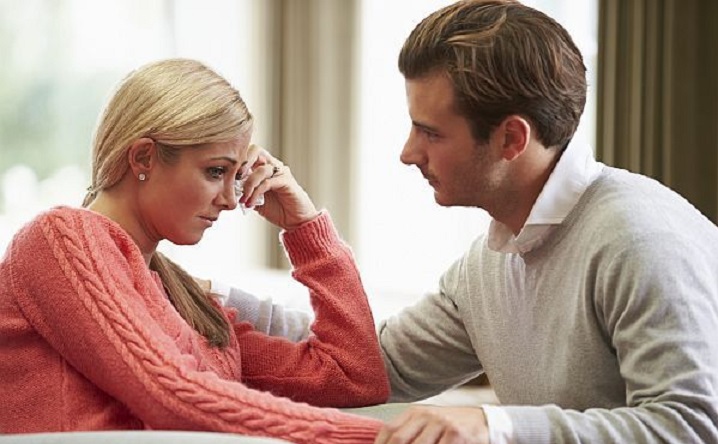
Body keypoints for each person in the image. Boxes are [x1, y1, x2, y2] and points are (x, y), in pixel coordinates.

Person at [222, 0, 718, 443]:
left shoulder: (642, 239)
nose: (407, 153)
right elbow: (369, 365)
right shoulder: (490, 263)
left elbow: (692, 425)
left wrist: (495, 425)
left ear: (511, 140)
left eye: (430, 132)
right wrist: (208, 302)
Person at [0, 58, 391, 443]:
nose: (229, 200)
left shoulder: (186, 301)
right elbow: (172, 396)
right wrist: (382, 438)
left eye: (236, 176)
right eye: (215, 171)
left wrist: (304, 227)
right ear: (143, 158)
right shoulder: (59, 238)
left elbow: (354, 377)